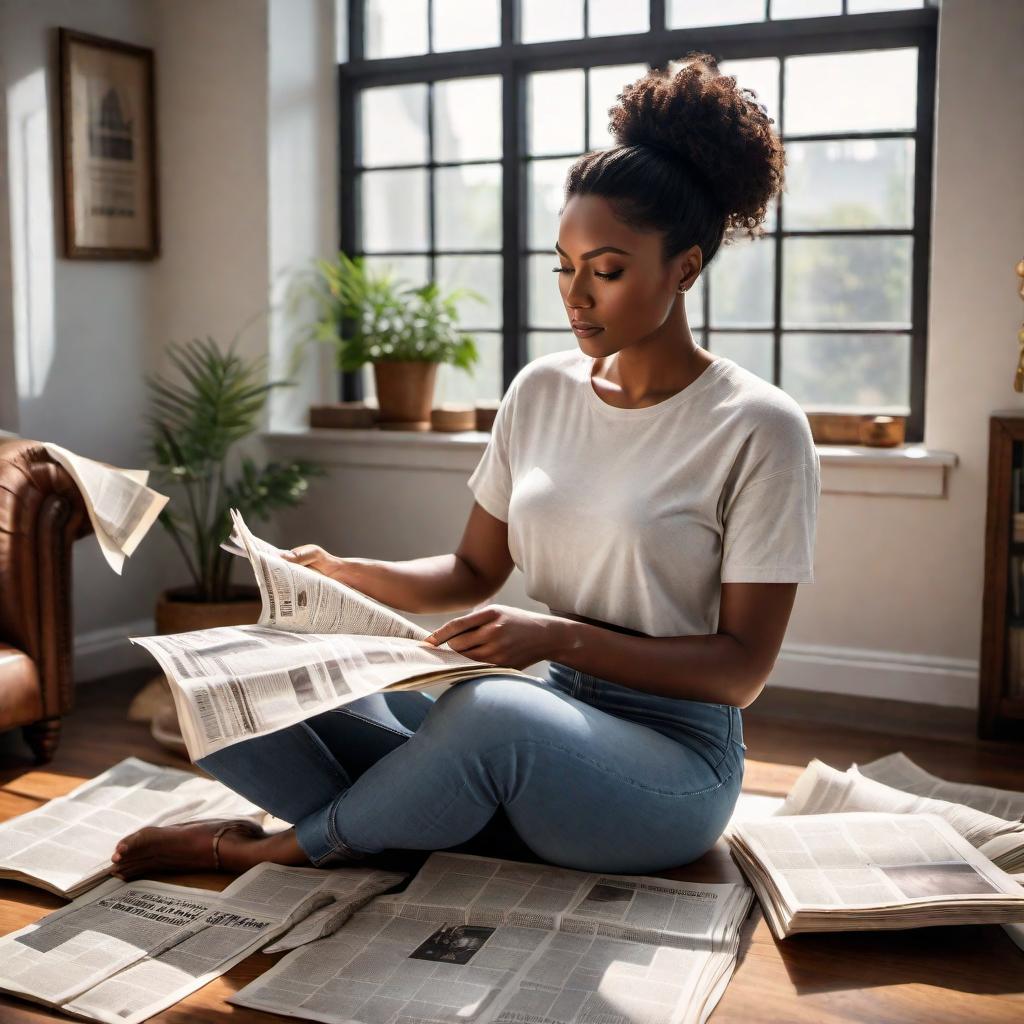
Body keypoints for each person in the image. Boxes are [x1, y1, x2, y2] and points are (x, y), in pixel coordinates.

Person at [111, 51, 819, 882]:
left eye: (609, 270)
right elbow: (470, 570)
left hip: (674, 764)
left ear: (685, 268)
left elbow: (741, 672)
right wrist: (346, 575)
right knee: (245, 669)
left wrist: (553, 636)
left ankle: (279, 846)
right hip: (546, 714)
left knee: (486, 714)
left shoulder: (761, 427)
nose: (575, 295)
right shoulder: (541, 390)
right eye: (563, 264)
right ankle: (415, 822)